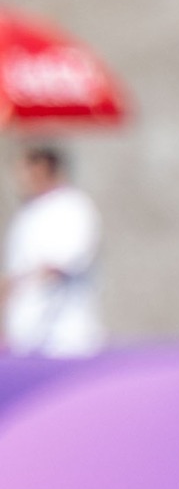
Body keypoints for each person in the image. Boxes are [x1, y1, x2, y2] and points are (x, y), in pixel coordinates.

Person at [2, 145, 104, 357]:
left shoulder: (74, 207)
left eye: (28, 170)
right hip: (26, 336)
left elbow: (65, 261)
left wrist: (25, 281)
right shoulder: (28, 212)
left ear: (44, 169)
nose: (22, 178)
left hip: (65, 339)